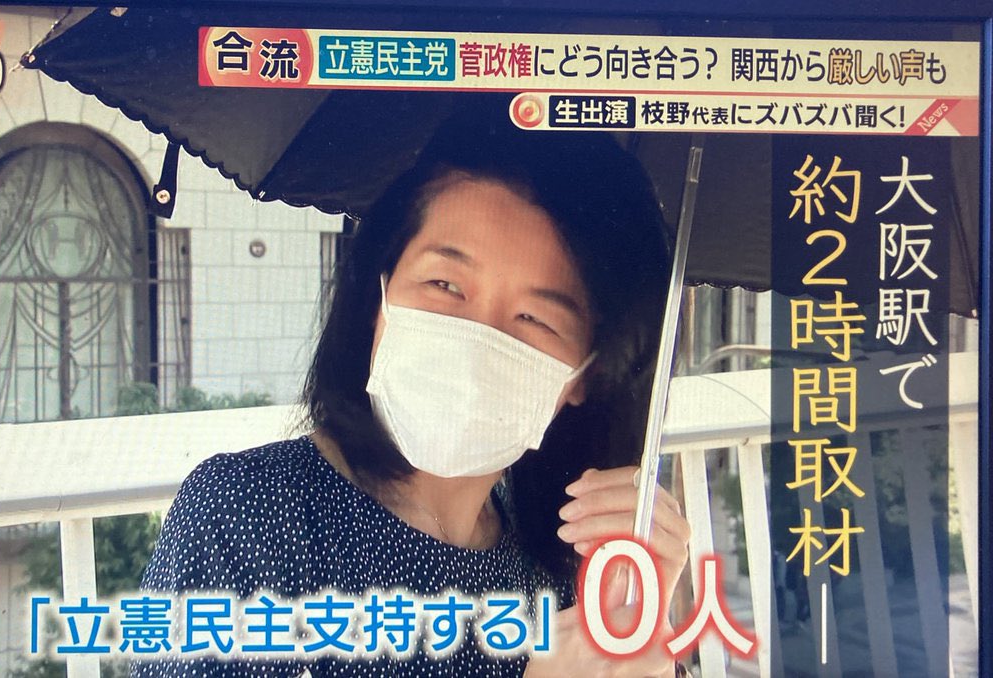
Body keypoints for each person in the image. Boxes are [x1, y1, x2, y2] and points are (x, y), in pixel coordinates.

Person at [133, 100, 691, 676]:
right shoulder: (249, 513)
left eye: (535, 319)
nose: (475, 343)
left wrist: (645, 634)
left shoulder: (563, 563)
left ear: (586, 375)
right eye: (445, 284)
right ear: (380, 291)